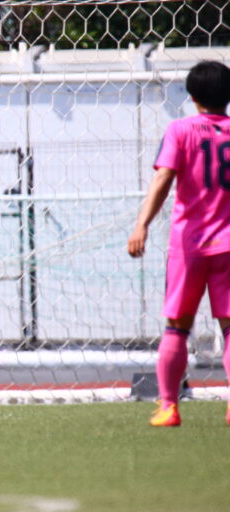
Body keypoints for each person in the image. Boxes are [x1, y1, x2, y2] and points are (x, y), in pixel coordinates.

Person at [128, 60, 230, 427]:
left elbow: (164, 178)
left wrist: (141, 225)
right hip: (229, 246)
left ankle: (169, 407)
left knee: (177, 326)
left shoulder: (180, 130)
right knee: (229, 327)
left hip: (189, 247)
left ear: (192, 96)